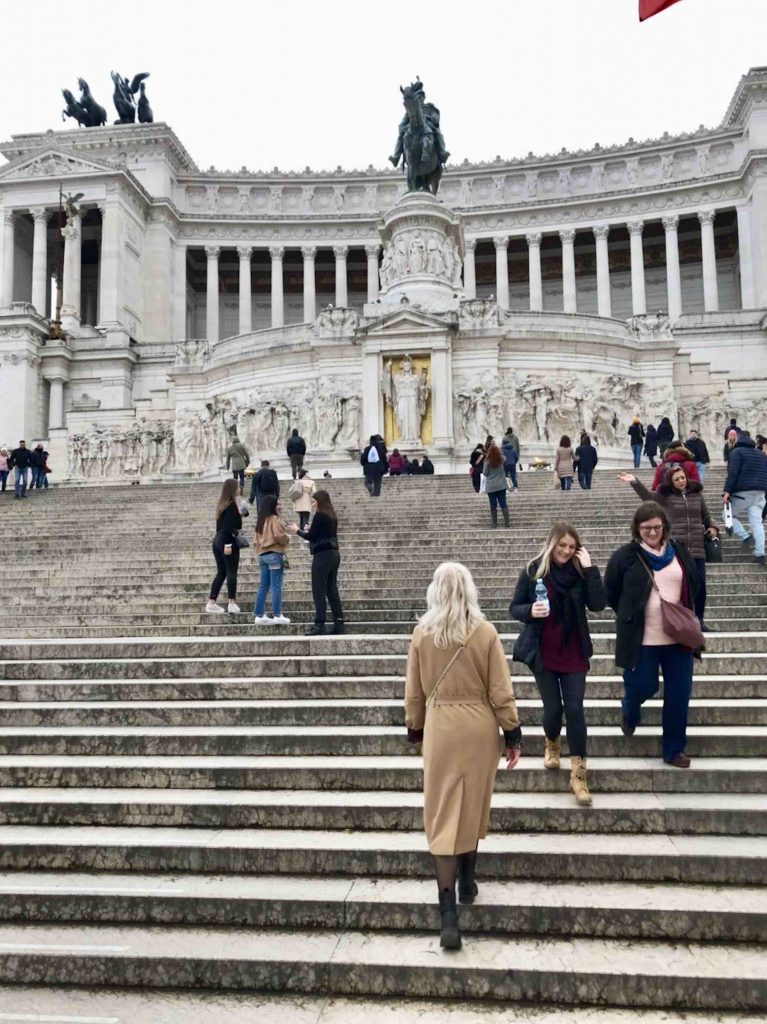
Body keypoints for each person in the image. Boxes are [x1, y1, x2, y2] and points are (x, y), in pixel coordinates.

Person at [405, 562, 521, 950]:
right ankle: (468, 883)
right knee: (472, 802)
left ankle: (448, 916)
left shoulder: (422, 633)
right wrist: (512, 730)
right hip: (479, 726)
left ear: (434, 590)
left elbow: (415, 692)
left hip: (442, 724)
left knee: (441, 811)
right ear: (469, 589)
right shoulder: (485, 631)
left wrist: (414, 726)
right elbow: (500, 687)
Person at [510, 521, 606, 804]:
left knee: (575, 709)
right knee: (553, 710)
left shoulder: (581, 572)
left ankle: (579, 774)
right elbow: (514, 607)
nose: (566, 551)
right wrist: (531, 610)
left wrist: (589, 569)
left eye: (572, 547)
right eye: (562, 545)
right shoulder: (533, 571)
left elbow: (599, 604)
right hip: (544, 650)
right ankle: (552, 742)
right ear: (552, 544)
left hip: (574, 650)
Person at [605, 501, 700, 767]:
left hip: (678, 639)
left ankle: (673, 750)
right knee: (642, 686)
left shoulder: (678, 550)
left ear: (665, 527)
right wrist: (631, 614)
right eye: (646, 528)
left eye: (657, 527)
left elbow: (694, 584)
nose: (652, 532)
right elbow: (611, 592)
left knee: (679, 696)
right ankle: (630, 710)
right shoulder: (625, 556)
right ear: (637, 528)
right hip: (642, 639)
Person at [619, 465, 717, 629]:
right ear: (671, 482)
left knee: (700, 585)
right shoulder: (665, 497)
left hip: (698, 546)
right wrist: (635, 482)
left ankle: (699, 619)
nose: (681, 481)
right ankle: (685, 619)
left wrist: (713, 527)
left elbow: (706, 516)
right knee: (683, 585)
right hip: (678, 548)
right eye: (677, 479)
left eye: (683, 477)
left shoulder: (697, 495)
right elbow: (647, 498)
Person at [288, 489, 344, 635]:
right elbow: (321, 533)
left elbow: (311, 537)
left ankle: (319, 623)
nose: (312, 503)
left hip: (322, 555)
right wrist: (310, 529)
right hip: (334, 554)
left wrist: (297, 530)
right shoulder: (332, 515)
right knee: (332, 589)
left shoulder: (319, 515)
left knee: (318, 589)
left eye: (314, 501)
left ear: (319, 502)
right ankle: (339, 621)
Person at [722, 431, 767, 565]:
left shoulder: (737, 452)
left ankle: (745, 537)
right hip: (760, 493)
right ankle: (759, 554)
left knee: (726, 514)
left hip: (743, 492)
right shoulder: (760, 454)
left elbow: (733, 472)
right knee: (757, 523)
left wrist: (727, 491)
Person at [206, 478, 243, 615]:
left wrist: (241, 515)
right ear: (233, 489)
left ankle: (212, 602)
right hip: (227, 540)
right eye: (238, 487)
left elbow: (223, 525)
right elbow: (229, 526)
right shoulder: (232, 505)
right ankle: (232, 603)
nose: (240, 489)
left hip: (218, 540)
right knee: (231, 572)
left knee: (222, 572)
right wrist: (228, 544)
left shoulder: (222, 504)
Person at [253, 494, 291, 626]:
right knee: (276, 585)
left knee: (263, 586)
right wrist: (287, 538)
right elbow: (280, 536)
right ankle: (277, 614)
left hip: (262, 555)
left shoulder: (261, 521)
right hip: (274, 554)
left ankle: (259, 615)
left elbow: (255, 541)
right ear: (272, 506)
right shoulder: (275, 519)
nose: (280, 506)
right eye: (278, 504)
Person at [482, 443, 509, 528]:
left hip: (491, 486)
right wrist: (499, 451)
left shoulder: (487, 462)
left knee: (493, 505)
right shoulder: (501, 459)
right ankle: (506, 522)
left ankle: (494, 523)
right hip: (501, 485)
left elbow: (485, 473)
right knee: (503, 504)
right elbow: (505, 458)